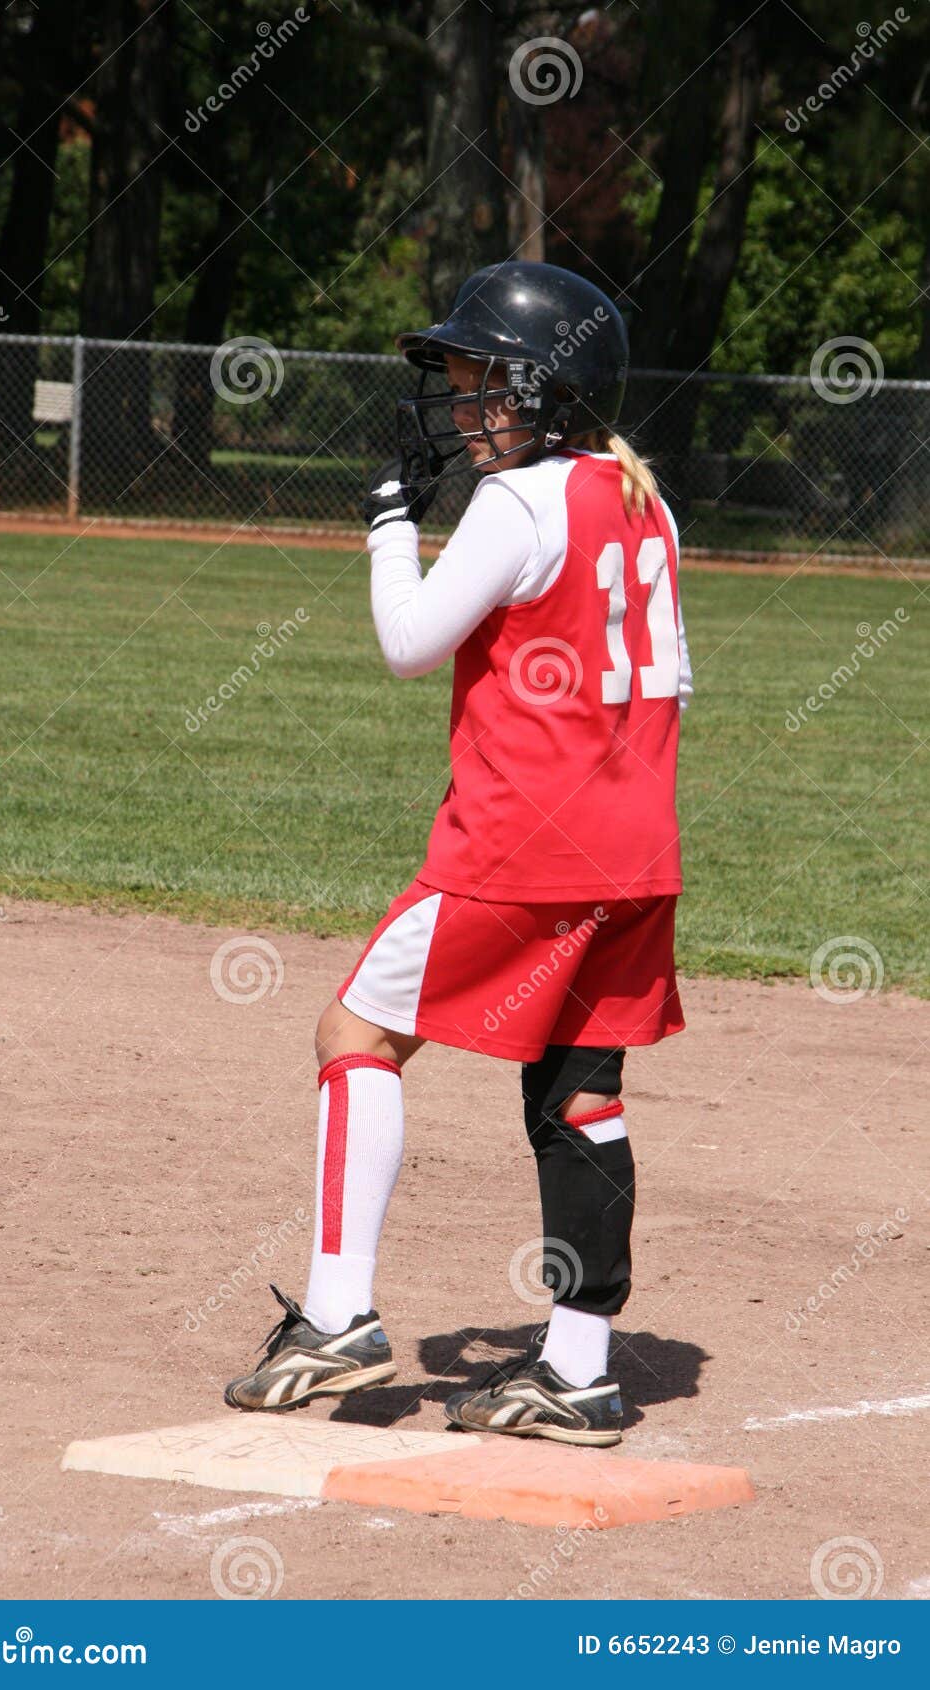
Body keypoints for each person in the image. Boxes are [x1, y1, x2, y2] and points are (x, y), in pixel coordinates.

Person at [225, 260, 692, 1445]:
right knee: (579, 1093)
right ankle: (577, 1370)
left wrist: (390, 521)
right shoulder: (643, 498)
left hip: (516, 850)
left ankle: (335, 1315)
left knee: (353, 1035)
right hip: (634, 853)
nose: (468, 403)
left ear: (550, 389)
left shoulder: (520, 501)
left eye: (488, 380)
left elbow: (407, 641)